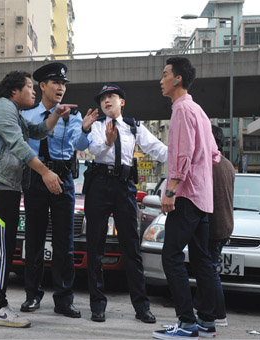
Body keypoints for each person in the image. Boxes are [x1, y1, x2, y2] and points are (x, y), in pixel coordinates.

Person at [0, 70, 75, 328]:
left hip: (4, 187)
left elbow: (38, 131)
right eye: (30, 87)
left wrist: (55, 115)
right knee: (3, 248)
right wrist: (45, 171)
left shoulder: (14, 112)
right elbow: (18, 144)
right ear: (14, 91)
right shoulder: (2, 108)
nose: (33, 92)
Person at [20, 62, 97, 318]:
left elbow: (79, 143)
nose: (61, 88)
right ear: (42, 86)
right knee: (34, 241)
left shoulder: (73, 117)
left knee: (65, 243)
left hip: (63, 179)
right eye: (56, 83)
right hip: (36, 178)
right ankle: (32, 295)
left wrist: (85, 128)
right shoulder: (28, 116)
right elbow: (24, 150)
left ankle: (64, 299)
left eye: (63, 84)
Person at [85, 83, 167, 323]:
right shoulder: (97, 126)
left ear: (122, 102)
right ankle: (97, 305)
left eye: (111, 97)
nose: (106, 101)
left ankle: (142, 306)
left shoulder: (133, 126)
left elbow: (156, 148)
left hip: (124, 187)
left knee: (131, 248)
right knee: (95, 248)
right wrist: (109, 143)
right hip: (99, 185)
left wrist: (180, 158)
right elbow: (95, 151)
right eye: (103, 99)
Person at [153, 57, 221, 340]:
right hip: (203, 197)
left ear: (177, 79)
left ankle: (187, 323)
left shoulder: (181, 110)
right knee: (203, 260)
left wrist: (171, 190)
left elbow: (181, 154)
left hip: (186, 195)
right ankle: (206, 321)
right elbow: (215, 154)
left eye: (165, 74)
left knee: (170, 257)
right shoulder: (199, 111)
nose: (161, 79)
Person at [204, 125, 235, 327]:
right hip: (225, 225)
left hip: (214, 226)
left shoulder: (210, 164)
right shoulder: (227, 163)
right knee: (209, 269)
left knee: (210, 271)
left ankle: (218, 314)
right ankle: (210, 310)